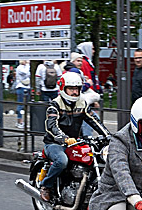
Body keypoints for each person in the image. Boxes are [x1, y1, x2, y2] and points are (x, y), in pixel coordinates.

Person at [39, 72, 109, 201]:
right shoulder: (55, 105)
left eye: (76, 89)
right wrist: (64, 138)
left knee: (95, 158)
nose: (74, 92)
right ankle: (46, 186)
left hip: (75, 142)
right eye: (71, 89)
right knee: (61, 161)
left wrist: (108, 135)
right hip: (54, 143)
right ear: (63, 89)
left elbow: (94, 120)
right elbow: (51, 126)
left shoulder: (81, 104)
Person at [13, 60, 31, 129]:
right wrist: (28, 64)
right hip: (21, 87)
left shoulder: (25, 67)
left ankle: (23, 121)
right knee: (20, 105)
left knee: (26, 105)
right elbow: (26, 73)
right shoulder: (20, 68)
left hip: (27, 87)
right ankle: (19, 121)